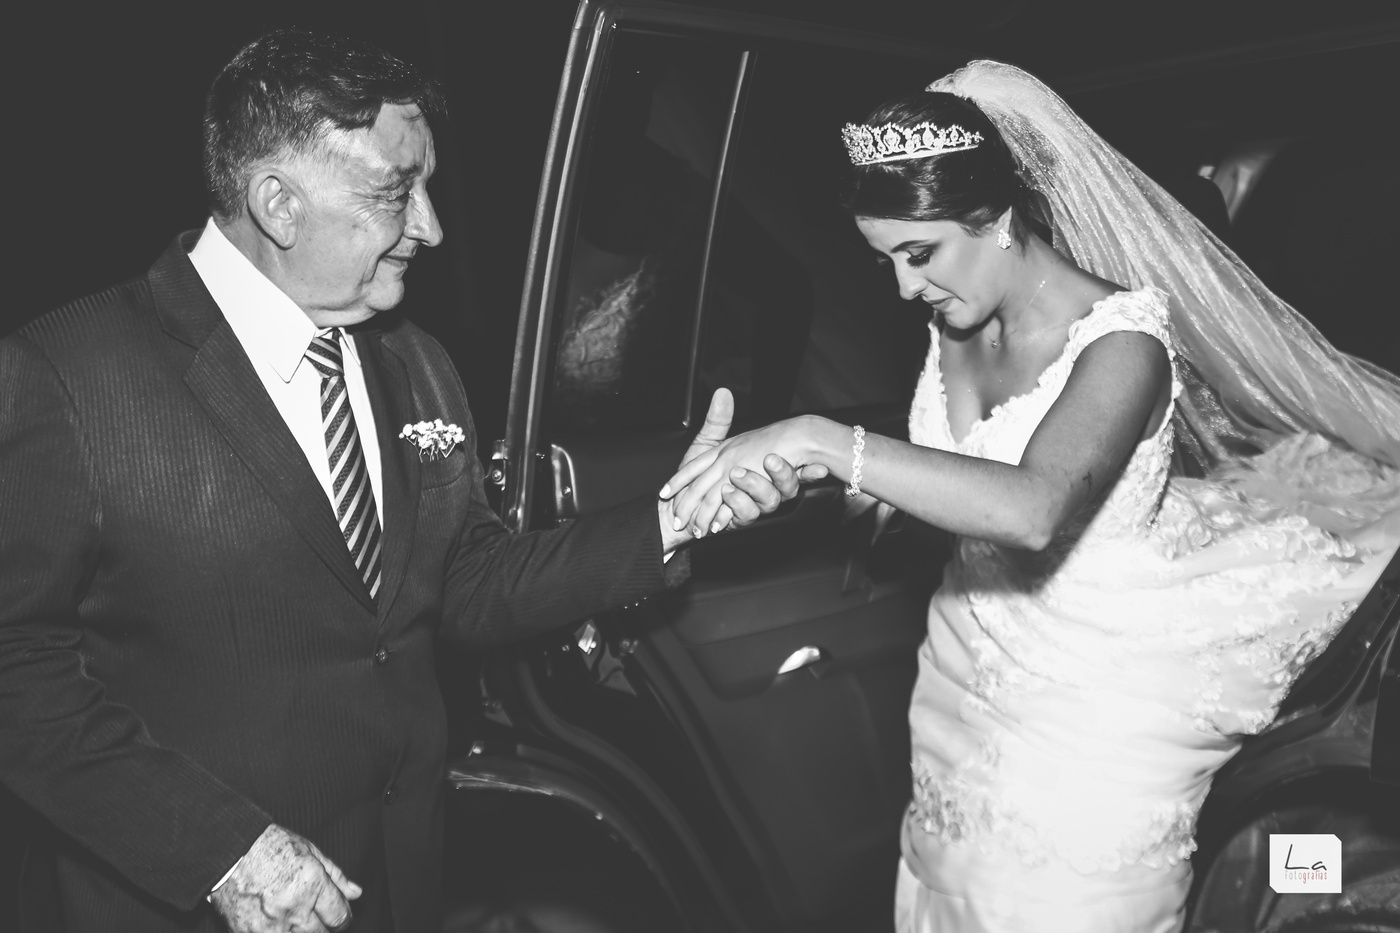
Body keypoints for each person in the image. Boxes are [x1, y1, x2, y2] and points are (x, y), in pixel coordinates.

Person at [0, 29, 808, 933]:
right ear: (278, 204)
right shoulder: (67, 376)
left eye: (427, 188)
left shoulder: (416, 361)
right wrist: (221, 852)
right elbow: (15, 670)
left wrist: (671, 521)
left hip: (397, 882)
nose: (431, 226)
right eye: (395, 193)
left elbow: (466, 583)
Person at [662, 60, 1400, 932]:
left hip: (1094, 703)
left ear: (999, 218)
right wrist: (807, 485)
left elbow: (1032, 507)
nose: (904, 287)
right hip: (962, 675)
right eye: (885, 260)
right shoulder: (953, 318)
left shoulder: (1123, 345)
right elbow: (941, 479)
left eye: (919, 254)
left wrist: (823, 440)